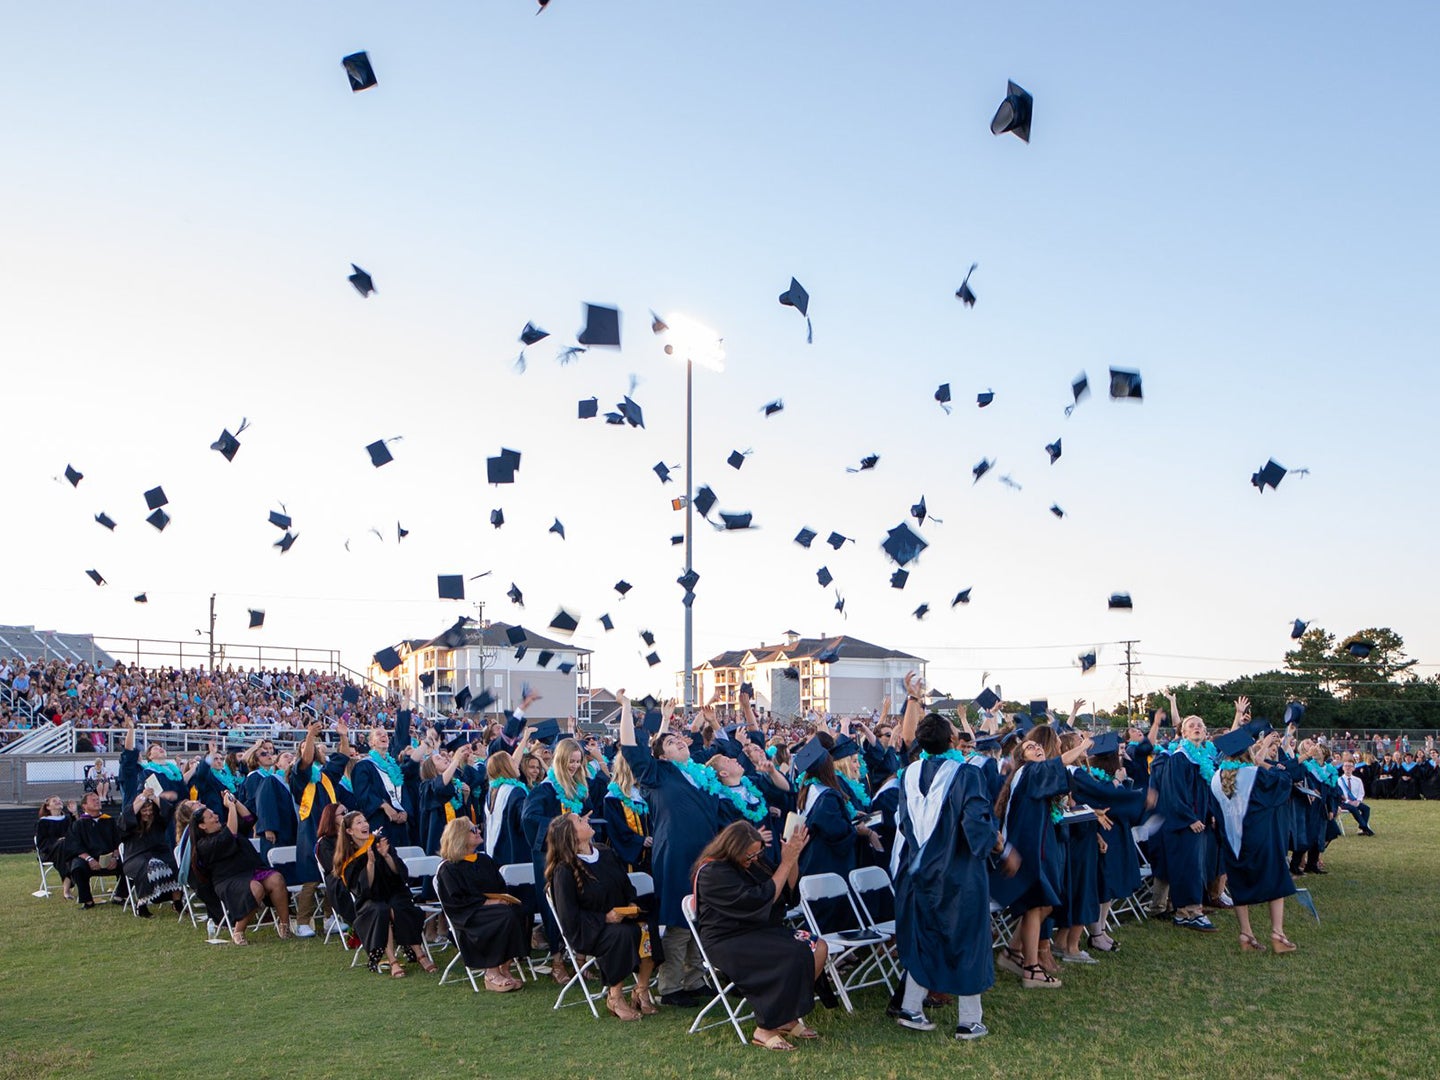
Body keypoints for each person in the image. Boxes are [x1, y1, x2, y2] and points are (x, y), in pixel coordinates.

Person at [891, 712, 1011, 1039]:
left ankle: (912, 1009)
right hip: (958, 875)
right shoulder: (967, 774)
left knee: (926, 938)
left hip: (919, 873)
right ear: (951, 742)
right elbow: (976, 826)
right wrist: (997, 844)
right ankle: (969, 1021)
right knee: (968, 941)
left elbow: (904, 824)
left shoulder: (908, 774)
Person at [619, 691, 720, 1007]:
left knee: (700, 915)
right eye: (672, 743)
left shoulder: (697, 774)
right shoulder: (657, 774)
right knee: (679, 918)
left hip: (704, 853)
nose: (681, 743)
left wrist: (672, 720)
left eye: (681, 741)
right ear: (661, 756)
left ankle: (695, 978)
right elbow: (630, 748)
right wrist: (625, 709)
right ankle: (671, 986)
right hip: (676, 854)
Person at [693, 821, 825, 1051]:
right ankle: (765, 1028)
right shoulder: (712, 872)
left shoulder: (752, 861)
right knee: (794, 952)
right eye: (750, 854)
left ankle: (785, 1016)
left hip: (759, 931)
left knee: (818, 946)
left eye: (758, 852)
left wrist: (791, 860)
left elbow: (786, 893)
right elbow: (758, 899)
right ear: (732, 849)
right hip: (727, 939)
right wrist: (785, 863)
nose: (755, 858)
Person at [992, 724, 1093, 987]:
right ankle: (1031, 969)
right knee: (1037, 905)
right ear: (1021, 757)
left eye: (1037, 746)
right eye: (1030, 746)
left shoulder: (1030, 775)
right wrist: (1082, 747)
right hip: (1028, 849)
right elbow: (1058, 764)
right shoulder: (1029, 772)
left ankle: (1014, 951)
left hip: (1035, 844)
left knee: (1044, 904)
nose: (1036, 747)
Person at [545, 813, 653, 1020]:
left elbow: (625, 885)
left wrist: (630, 903)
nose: (587, 821)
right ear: (571, 835)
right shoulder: (565, 870)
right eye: (580, 821)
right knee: (622, 934)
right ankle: (615, 996)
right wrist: (605, 918)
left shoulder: (605, 853)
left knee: (647, 926)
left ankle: (642, 989)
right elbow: (569, 916)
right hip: (589, 930)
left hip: (621, 919)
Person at [523, 735, 604, 985]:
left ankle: (580, 959)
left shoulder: (579, 790)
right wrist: (563, 825)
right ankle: (557, 960)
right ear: (560, 760)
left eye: (578, 762)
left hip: (577, 855)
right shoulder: (545, 790)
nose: (574, 766)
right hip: (551, 857)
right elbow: (529, 818)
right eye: (570, 761)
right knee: (553, 906)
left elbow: (589, 813)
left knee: (582, 901)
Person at [1210, 728, 1298, 954]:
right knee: (1275, 880)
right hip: (1262, 837)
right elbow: (1285, 781)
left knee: (1240, 883)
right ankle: (1278, 935)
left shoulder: (1215, 778)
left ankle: (1246, 934)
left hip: (1232, 840)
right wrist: (1262, 762)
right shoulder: (1254, 774)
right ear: (1249, 752)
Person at [334, 810, 435, 976]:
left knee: (398, 907)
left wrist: (387, 856)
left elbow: (400, 873)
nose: (365, 824)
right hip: (369, 900)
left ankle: (420, 954)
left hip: (393, 891)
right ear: (349, 831)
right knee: (381, 910)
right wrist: (371, 864)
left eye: (365, 820)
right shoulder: (348, 857)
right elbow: (362, 890)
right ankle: (392, 960)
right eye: (359, 823)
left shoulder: (380, 843)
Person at [434, 817, 529, 992]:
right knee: (503, 915)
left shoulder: (484, 860)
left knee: (519, 910)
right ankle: (491, 972)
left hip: (493, 908)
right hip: (469, 917)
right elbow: (456, 902)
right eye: (473, 830)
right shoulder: (449, 869)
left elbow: (500, 886)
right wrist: (487, 902)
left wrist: (502, 899)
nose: (478, 831)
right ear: (459, 836)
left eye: (477, 828)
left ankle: (505, 967)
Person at [190, 790, 291, 943]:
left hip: (251, 870)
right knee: (256, 888)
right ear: (202, 825)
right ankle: (238, 931)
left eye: (215, 814)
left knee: (276, 879)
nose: (216, 816)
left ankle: (285, 926)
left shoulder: (225, 828)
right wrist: (230, 808)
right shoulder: (204, 845)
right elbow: (230, 835)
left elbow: (249, 818)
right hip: (228, 879)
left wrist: (235, 802)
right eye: (211, 816)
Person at [1155, 695, 1221, 931]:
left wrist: (1210, 813)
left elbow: (1205, 791)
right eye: (1191, 725)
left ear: (1205, 734)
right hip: (1182, 824)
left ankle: (1191, 910)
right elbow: (1174, 793)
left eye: (1200, 726)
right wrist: (1190, 818)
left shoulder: (1202, 758)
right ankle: (1187, 912)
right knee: (1186, 867)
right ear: (1183, 733)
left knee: (1194, 866)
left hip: (1198, 822)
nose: (1196, 728)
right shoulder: (1179, 758)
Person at [119, 789, 183, 917]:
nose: (148, 813)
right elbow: (127, 816)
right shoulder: (130, 824)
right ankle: (142, 905)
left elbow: (168, 810)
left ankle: (177, 902)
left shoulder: (158, 822)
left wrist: (153, 797)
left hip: (159, 853)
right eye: (144, 810)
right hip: (135, 857)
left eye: (150, 810)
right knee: (148, 866)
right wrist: (142, 797)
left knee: (173, 864)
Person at [64, 790, 125, 909]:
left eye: (98, 800)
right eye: (93, 800)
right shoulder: (78, 824)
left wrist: (114, 857)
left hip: (110, 859)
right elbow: (75, 846)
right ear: (84, 806)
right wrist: (90, 859)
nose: (97, 802)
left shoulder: (109, 821)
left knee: (130, 863)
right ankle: (87, 900)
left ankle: (120, 896)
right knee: (77, 867)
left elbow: (118, 842)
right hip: (88, 860)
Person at [35, 795, 76, 899]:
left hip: (68, 850)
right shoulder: (43, 822)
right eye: (54, 801)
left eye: (59, 800)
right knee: (62, 846)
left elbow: (77, 831)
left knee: (67, 848)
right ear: (48, 807)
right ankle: (66, 890)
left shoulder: (67, 819)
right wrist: (57, 842)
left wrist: (74, 813)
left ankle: (68, 889)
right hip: (50, 852)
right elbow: (41, 843)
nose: (58, 802)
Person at [1337, 759, 1375, 836]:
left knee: (1366, 808)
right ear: (1343, 768)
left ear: (1353, 768)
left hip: (1355, 801)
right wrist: (1349, 802)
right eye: (1346, 766)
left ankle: (1361, 828)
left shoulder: (1358, 780)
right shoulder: (1338, 780)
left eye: (1350, 766)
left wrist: (1358, 801)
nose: (1348, 768)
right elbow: (1339, 795)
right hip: (1342, 803)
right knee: (1353, 808)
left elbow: (1361, 793)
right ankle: (1365, 828)